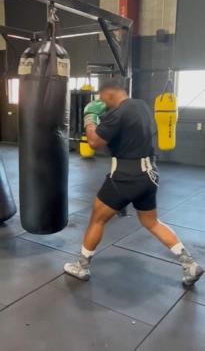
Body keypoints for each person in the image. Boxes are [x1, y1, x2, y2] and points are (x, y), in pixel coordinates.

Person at [64, 79, 204, 287]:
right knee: (151, 222)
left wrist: (90, 118)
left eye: (103, 99)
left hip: (125, 176)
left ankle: (82, 267)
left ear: (110, 94)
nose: (104, 103)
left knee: (97, 219)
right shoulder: (142, 106)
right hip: (150, 174)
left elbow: (93, 142)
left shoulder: (117, 113)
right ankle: (189, 264)